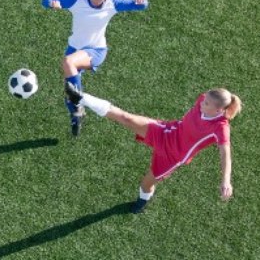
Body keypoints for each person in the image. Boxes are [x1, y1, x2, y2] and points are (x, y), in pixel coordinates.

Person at [65, 83, 242, 213]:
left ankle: (141, 202)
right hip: (167, 131)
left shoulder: (220, 127)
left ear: (219, 111)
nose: (202, 103)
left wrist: (226, 180)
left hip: (172, 156)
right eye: (205, 100)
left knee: (146, 183)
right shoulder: (204, 99)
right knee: (126, 118)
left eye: (207, 104)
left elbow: (225, 152)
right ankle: (81, 97)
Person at [42, 0, 148, 137]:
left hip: (96, 51)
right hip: (74, 49)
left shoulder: (113, 3)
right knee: (69, 92)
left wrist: (142, 1)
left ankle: (78, 104)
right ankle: (77, 113)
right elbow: (46, 0)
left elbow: (140, 5)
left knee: (69, 64)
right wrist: (51, 3)